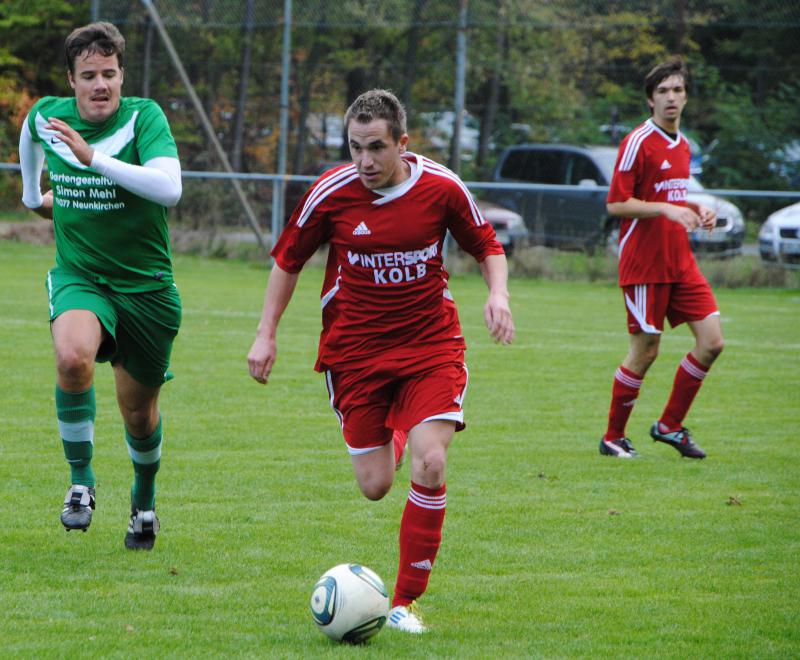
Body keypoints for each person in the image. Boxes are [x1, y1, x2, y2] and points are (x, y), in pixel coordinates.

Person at [248, 89, 515, 632]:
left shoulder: (442, 188)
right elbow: (288, 261)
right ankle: (399, 429)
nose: (364, 161)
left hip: (430, 346)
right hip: (356, 353)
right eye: (355, 147)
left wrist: (499, 294)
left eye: (375, 148)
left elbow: (487, 245)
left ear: (402, 143)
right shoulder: (331, 193)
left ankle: (405, 603)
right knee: (374, 485)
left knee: (431, 461)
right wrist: (265, 335)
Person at [18, 22, 183, 549]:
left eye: (109, 73)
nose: (100, 85)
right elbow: (29, 131)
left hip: (146, 289)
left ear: (121, 76)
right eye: (88, 75)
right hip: (81, 275)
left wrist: (94, 159)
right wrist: (31, 195)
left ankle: (144, 500)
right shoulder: (49, 116)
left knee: (139, 414)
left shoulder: (143, 117)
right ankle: (81, 483)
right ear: (71, 79)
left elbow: (169, 189)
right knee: (72, 358)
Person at [599, 57, 724, 460]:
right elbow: (617, 203)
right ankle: (613, 437)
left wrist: (694, 207)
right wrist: (666, 209)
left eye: (678, 90)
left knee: (712, 342)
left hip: (680, 262)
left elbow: (669, 196)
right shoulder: (637, 142)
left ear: (686, 97)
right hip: (644, 265)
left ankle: (670, 425)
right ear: (650, 100)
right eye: (663, 91)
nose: (671, 97)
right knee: (646, 350)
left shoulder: (683, 144)